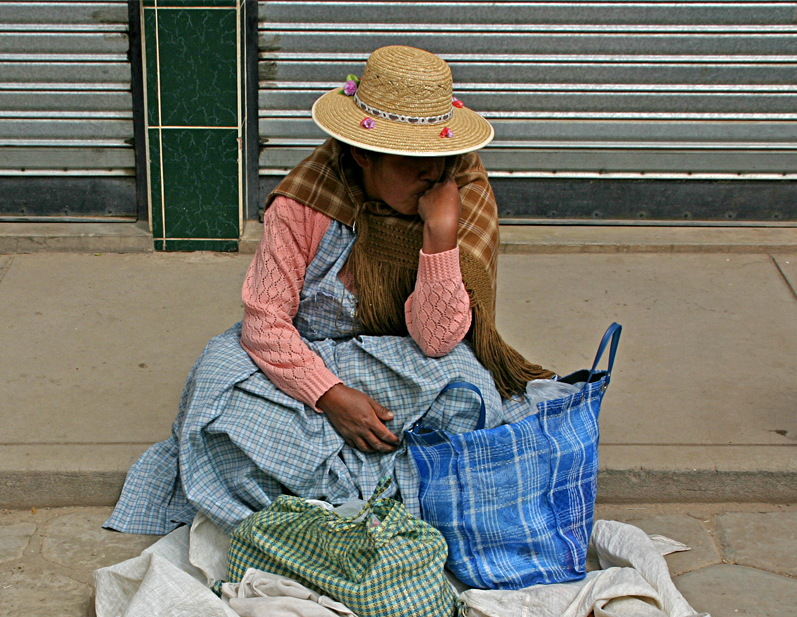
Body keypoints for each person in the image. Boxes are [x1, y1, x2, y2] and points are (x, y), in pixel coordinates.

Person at [105, 45, 554, 535]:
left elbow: (438, 341)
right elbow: (265, 324)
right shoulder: (303, 205)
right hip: (305, 360)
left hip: (401, 360)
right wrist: (332, 397)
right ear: (362, 153)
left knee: (470, 391)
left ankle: (340, 497)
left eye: (440, 158)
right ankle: (376, 497)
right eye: (412, 162)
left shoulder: (457, 192)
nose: (433, 174)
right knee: (219, 401)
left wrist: (439, 237)